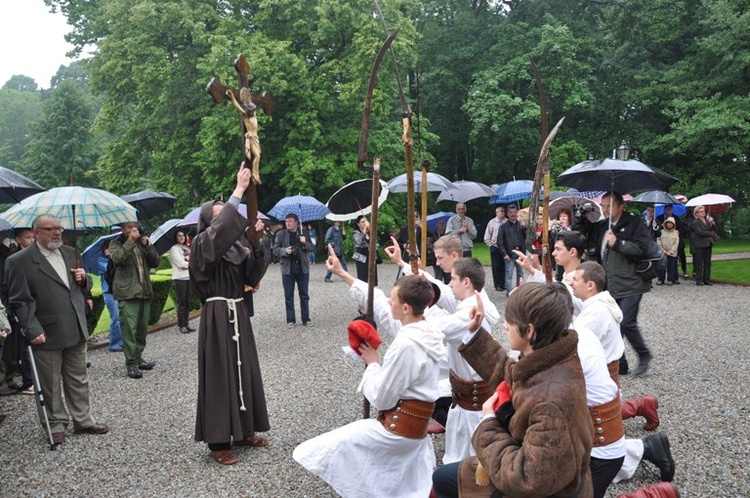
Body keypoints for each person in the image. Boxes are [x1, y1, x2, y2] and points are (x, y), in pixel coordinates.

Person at [432, 283, 593, 498]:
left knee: (444, 481)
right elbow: (514, 376)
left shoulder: (550, 400)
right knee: (442, 478)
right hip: (538, 464)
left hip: (549, 490)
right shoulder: (553, 356)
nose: (505, 326)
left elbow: (526, 479)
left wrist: (488, 423)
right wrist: (474, 335)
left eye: (510, 321)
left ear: (529, 330)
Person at [294, 275, 445, 497]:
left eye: (392, 300)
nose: (388, 303)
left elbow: (383, 398)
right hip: (415, 432)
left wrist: (373, 364)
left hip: (397, 433)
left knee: (319, 449)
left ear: (405, 308)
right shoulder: (430, 333)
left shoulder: (407, 344)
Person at [189, 162, 270, 465]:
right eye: (219, 214)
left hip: (238, 310)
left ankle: (245, 429)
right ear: (208, 222)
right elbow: (220, 233)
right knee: (220, 375)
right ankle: (219, 440)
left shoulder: (237, 247)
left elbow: (252, 277)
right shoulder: (201, 245)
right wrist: (239, 190)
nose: (226, 218)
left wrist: (257, 245)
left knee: (244, 370)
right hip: (217, 314)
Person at [5, 215, 109, 445]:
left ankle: (83, 421)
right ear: (37, 232)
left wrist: (84, 281)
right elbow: (19, 300)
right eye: (50, 229)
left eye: (59, 228)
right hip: (46, 331)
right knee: (49, 383)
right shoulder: (19, 261)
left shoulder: (71, 253)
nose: (56, 233)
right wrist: (32, 328)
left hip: (75, 326)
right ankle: (55, 425)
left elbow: (81, 287)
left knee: (78, 379)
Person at [573, 191, 653, 377]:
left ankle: (644, 355)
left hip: (631, 282)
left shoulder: (634, 224)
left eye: (610, 205)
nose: (605, 209)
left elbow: (643, 249)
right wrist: (580, 218)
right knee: (613, 324)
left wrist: (618, 243)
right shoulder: (603, 226)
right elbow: (582, 235)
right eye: (603, 205)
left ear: (621, 206)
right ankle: (621, 363)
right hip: (610, 284)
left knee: (626, 322)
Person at [110, 221, 160, 379]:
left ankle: (138, 358)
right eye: (129, 227)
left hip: (144, 291)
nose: (134, 230)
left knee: (141, 329)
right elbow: (118, 259)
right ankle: (131, 364)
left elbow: (155, 262)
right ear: (122, 229)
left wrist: (148, 246)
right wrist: (130, 241)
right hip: (128, 293)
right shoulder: (115, 243)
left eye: (135, 227)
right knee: (129, 330)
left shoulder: (141, 242)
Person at [273, 213, 312, 327]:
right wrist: (285, 251)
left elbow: (312, 248)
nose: (288, 223)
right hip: (287, 268)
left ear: (296, 222)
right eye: (286, 221)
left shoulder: (304, 233)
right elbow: (275, 250)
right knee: (288, 295)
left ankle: (306, 319)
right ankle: (291, 320)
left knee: (304, 295)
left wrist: (305, 243)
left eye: (290, 221)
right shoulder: (281, 234)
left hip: (302, 267)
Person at [226, 87, 262, 185]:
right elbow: (238, 107)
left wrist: (247, 96)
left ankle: (256, 173)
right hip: (251, 138)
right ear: (248, 111)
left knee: (259, 156)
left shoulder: (254, 115)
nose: (253, 111)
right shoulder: (246, 117)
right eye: (252, 110)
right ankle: (255, 174)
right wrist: (232, 97)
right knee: (257, 156)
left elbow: (249, 102)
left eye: (253, 110)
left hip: (256, 138)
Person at [98, 240, 123, 351]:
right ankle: (115, 344)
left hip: (120, 291)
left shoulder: (117, 259)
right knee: (116, 318)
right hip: (109, 292)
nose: (108, 250)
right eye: (106, 248)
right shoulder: (101, 261)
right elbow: (111, 271)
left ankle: (124, 341)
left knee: (124, 317)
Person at [496, 204, 527, 295]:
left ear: (517, 213)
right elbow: (499, 242)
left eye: (514, 212)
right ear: (508, 214)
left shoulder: (521, 225)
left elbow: (527, 237)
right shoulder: (503, 227)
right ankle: (509, 293)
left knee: (521, 273)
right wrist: (504, 254)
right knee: (509, 275)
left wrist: (525, 228)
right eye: (511, 212)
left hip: (520, 253)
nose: (513, 214)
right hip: (510, 254)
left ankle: (518, 292)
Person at [168, 230, 195, 333]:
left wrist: (188, 258)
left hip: (188, 277)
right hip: (179, 279)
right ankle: (181, 325)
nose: (182, 237)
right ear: (175, 238)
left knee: (188, 302)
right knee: (182, 303)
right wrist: (190, 261)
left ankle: (186, 323)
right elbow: (180, 264)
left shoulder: (186, 248)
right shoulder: (174, 249)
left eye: (183, 235)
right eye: (179, 236)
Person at [687, 205, 715, 286]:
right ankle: (699, 280)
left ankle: (707, 279)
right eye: (701, 212)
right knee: (699, 262)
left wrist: (712, 224)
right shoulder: (695, 222)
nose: (703, 213)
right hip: (699, 244)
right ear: (697, 213)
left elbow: (714, 230)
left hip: (708, 243)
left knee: (708, 262)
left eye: (704, 211)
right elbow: (699, 232)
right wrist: (710, 234)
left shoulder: (707, 221)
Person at [483, 206, 506, 291]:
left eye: (504, 211)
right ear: (497, 213)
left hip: (504, 247)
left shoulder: (506, 222)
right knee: (496, 266)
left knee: (504, 266)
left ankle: (503, 283)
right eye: (501, 211)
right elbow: (487, 236)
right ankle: (497, 285)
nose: (503, 213)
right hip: (495, 246)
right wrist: (491, 245)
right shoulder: (492, 222)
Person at [352, 215, 378, 285]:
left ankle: (372, 293)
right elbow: (359, 241)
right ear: (358, 224)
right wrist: (364, 231)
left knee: (373, 278)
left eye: (365, 221)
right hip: (362, 258)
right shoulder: (356, 233)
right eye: (362, 222)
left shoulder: (370, 232)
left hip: (371, 256)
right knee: (363, 279)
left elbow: (376, 243)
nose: (365, 223)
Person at [656, 217, 680, 285]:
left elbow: (676, 243)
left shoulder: (676, 233)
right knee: (661, 266)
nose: (669, 224)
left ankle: (670, 279)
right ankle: (660, 279)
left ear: (673, 224)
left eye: (671, 223)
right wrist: (663, 251)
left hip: (672, 253)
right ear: (666, 224)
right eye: (668, 223)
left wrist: (670, 252)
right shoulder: (661, 232)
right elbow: (658, 241)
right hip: (663, 253)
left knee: (671, 267)